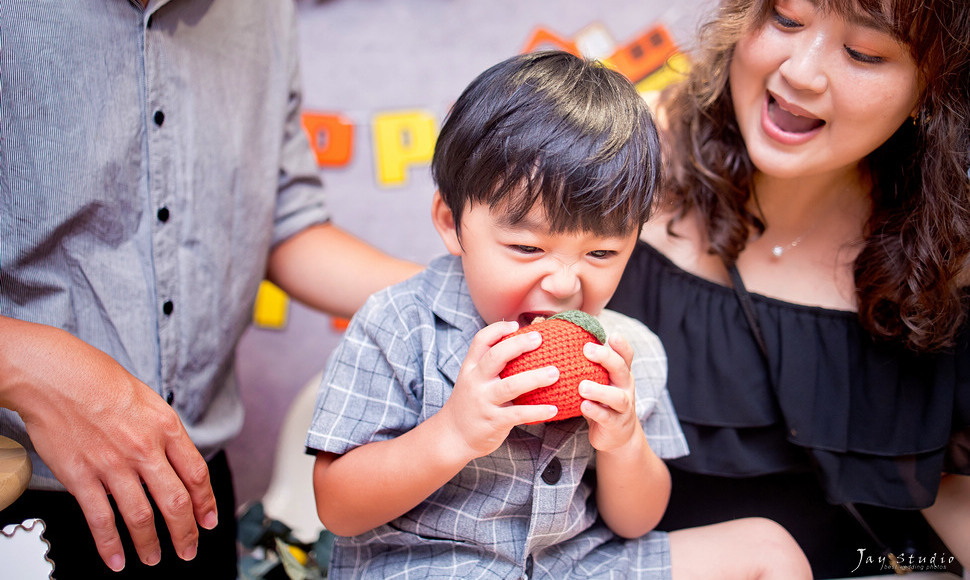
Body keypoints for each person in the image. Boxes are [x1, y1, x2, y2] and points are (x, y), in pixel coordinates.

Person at [0, 0, 421, 576]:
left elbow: (287, 224)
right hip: (19, 504)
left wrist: (461, 292)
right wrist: (24, 361)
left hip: (193, 495)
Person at [305, 50, 812, 579]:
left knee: (769, 551)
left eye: (600, 254)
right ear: (452, 223)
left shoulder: (627, 352)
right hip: (433, 565)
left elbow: (637, 522)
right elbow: (338, 509)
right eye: (527, 248)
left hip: (576, 563)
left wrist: (623, 444)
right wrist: (453, 434)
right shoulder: (399, 325)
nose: (566, 284)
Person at [606, 0, 970, 577]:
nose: (800, 71)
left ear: (934, 87)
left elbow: (944, 506)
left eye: (863, 52)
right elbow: (460, 300)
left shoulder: (942, 264)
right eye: (786, 18)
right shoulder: (630, 153)